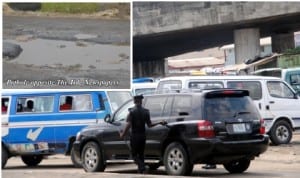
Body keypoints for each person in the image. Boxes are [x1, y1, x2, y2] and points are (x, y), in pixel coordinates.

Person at [119, 95, 166, 174]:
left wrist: (122, 134)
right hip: (143, 136)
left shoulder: (132, 111)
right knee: (141, 154)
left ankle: (143, 167)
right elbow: (149, 125)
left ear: (134, 101)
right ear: (141, 101)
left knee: (134, 155)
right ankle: (141, 171)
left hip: (135, 136)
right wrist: (160, 122)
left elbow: (128, 124)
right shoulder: (146, 111)